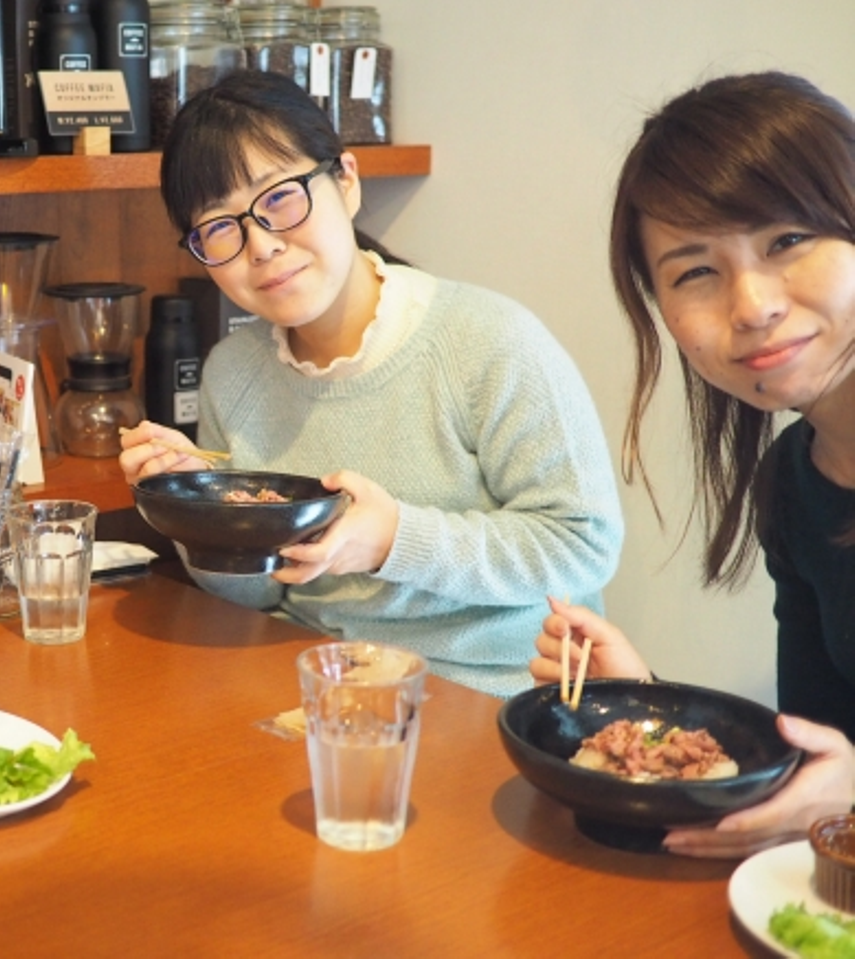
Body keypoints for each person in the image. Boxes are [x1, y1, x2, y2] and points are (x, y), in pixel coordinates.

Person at [119, 71, 624, 697]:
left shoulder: (489, 342)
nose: (262, 246)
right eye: (221, 228)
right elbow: (259, 595)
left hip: (493, 694)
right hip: (319, 689)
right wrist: (204, 518)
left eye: (280, 198)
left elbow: (581, 545)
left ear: (347, 182)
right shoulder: (233, 374)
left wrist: (393, 541)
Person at [530, 71, 855, 859]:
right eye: (695, 271)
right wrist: (644, 712)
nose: (752, 305)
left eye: (787, 240)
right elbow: (820, 751)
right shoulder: (795, 480)